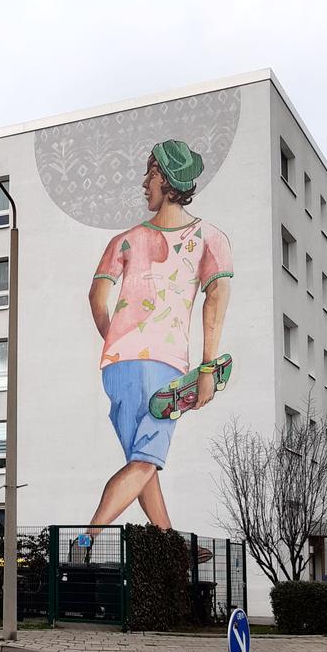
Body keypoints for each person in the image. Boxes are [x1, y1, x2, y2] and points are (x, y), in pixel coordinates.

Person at [87, 140, 232, 535]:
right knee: (146, 461)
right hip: (163, 368)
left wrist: (117, 339)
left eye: (150, 174)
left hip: (116, 369)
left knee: (142, 459)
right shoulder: (210, 238)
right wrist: (208, 367)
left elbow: (97, 296)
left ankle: (169, 543)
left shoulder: (123, 240)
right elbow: (214, 300)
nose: (143, 182)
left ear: (167, 180)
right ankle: (87, 536)